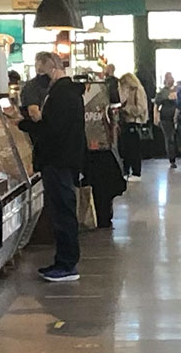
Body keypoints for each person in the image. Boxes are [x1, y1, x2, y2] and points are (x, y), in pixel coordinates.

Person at [20, 50, 86, 281]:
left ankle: (67, 265)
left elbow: (52, 130)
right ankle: (63, 261)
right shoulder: (69, 93)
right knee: (62, 212)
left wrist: (25, 125)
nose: (40, 78)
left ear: (51, 68)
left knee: (62, 213)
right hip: (64, 160)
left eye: (41, 72)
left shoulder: (61, 95)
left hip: (58, 160)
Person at [81, 69, 127, 229]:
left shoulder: (81, 97)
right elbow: (113, 118)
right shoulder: (105, 91)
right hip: (103, 147)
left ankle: (94, 216)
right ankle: (103, 216)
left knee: (93, 184)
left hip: (89, 148)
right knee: (103, 186)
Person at [116, 70, 150, 175]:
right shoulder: (122, 91)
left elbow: (141, 107)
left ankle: (136, 172)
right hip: (124, 122)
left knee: (134, 149)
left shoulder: (138, 90)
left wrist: (127, 109)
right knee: (125, 148)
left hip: (134, 121)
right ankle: (126, 171)